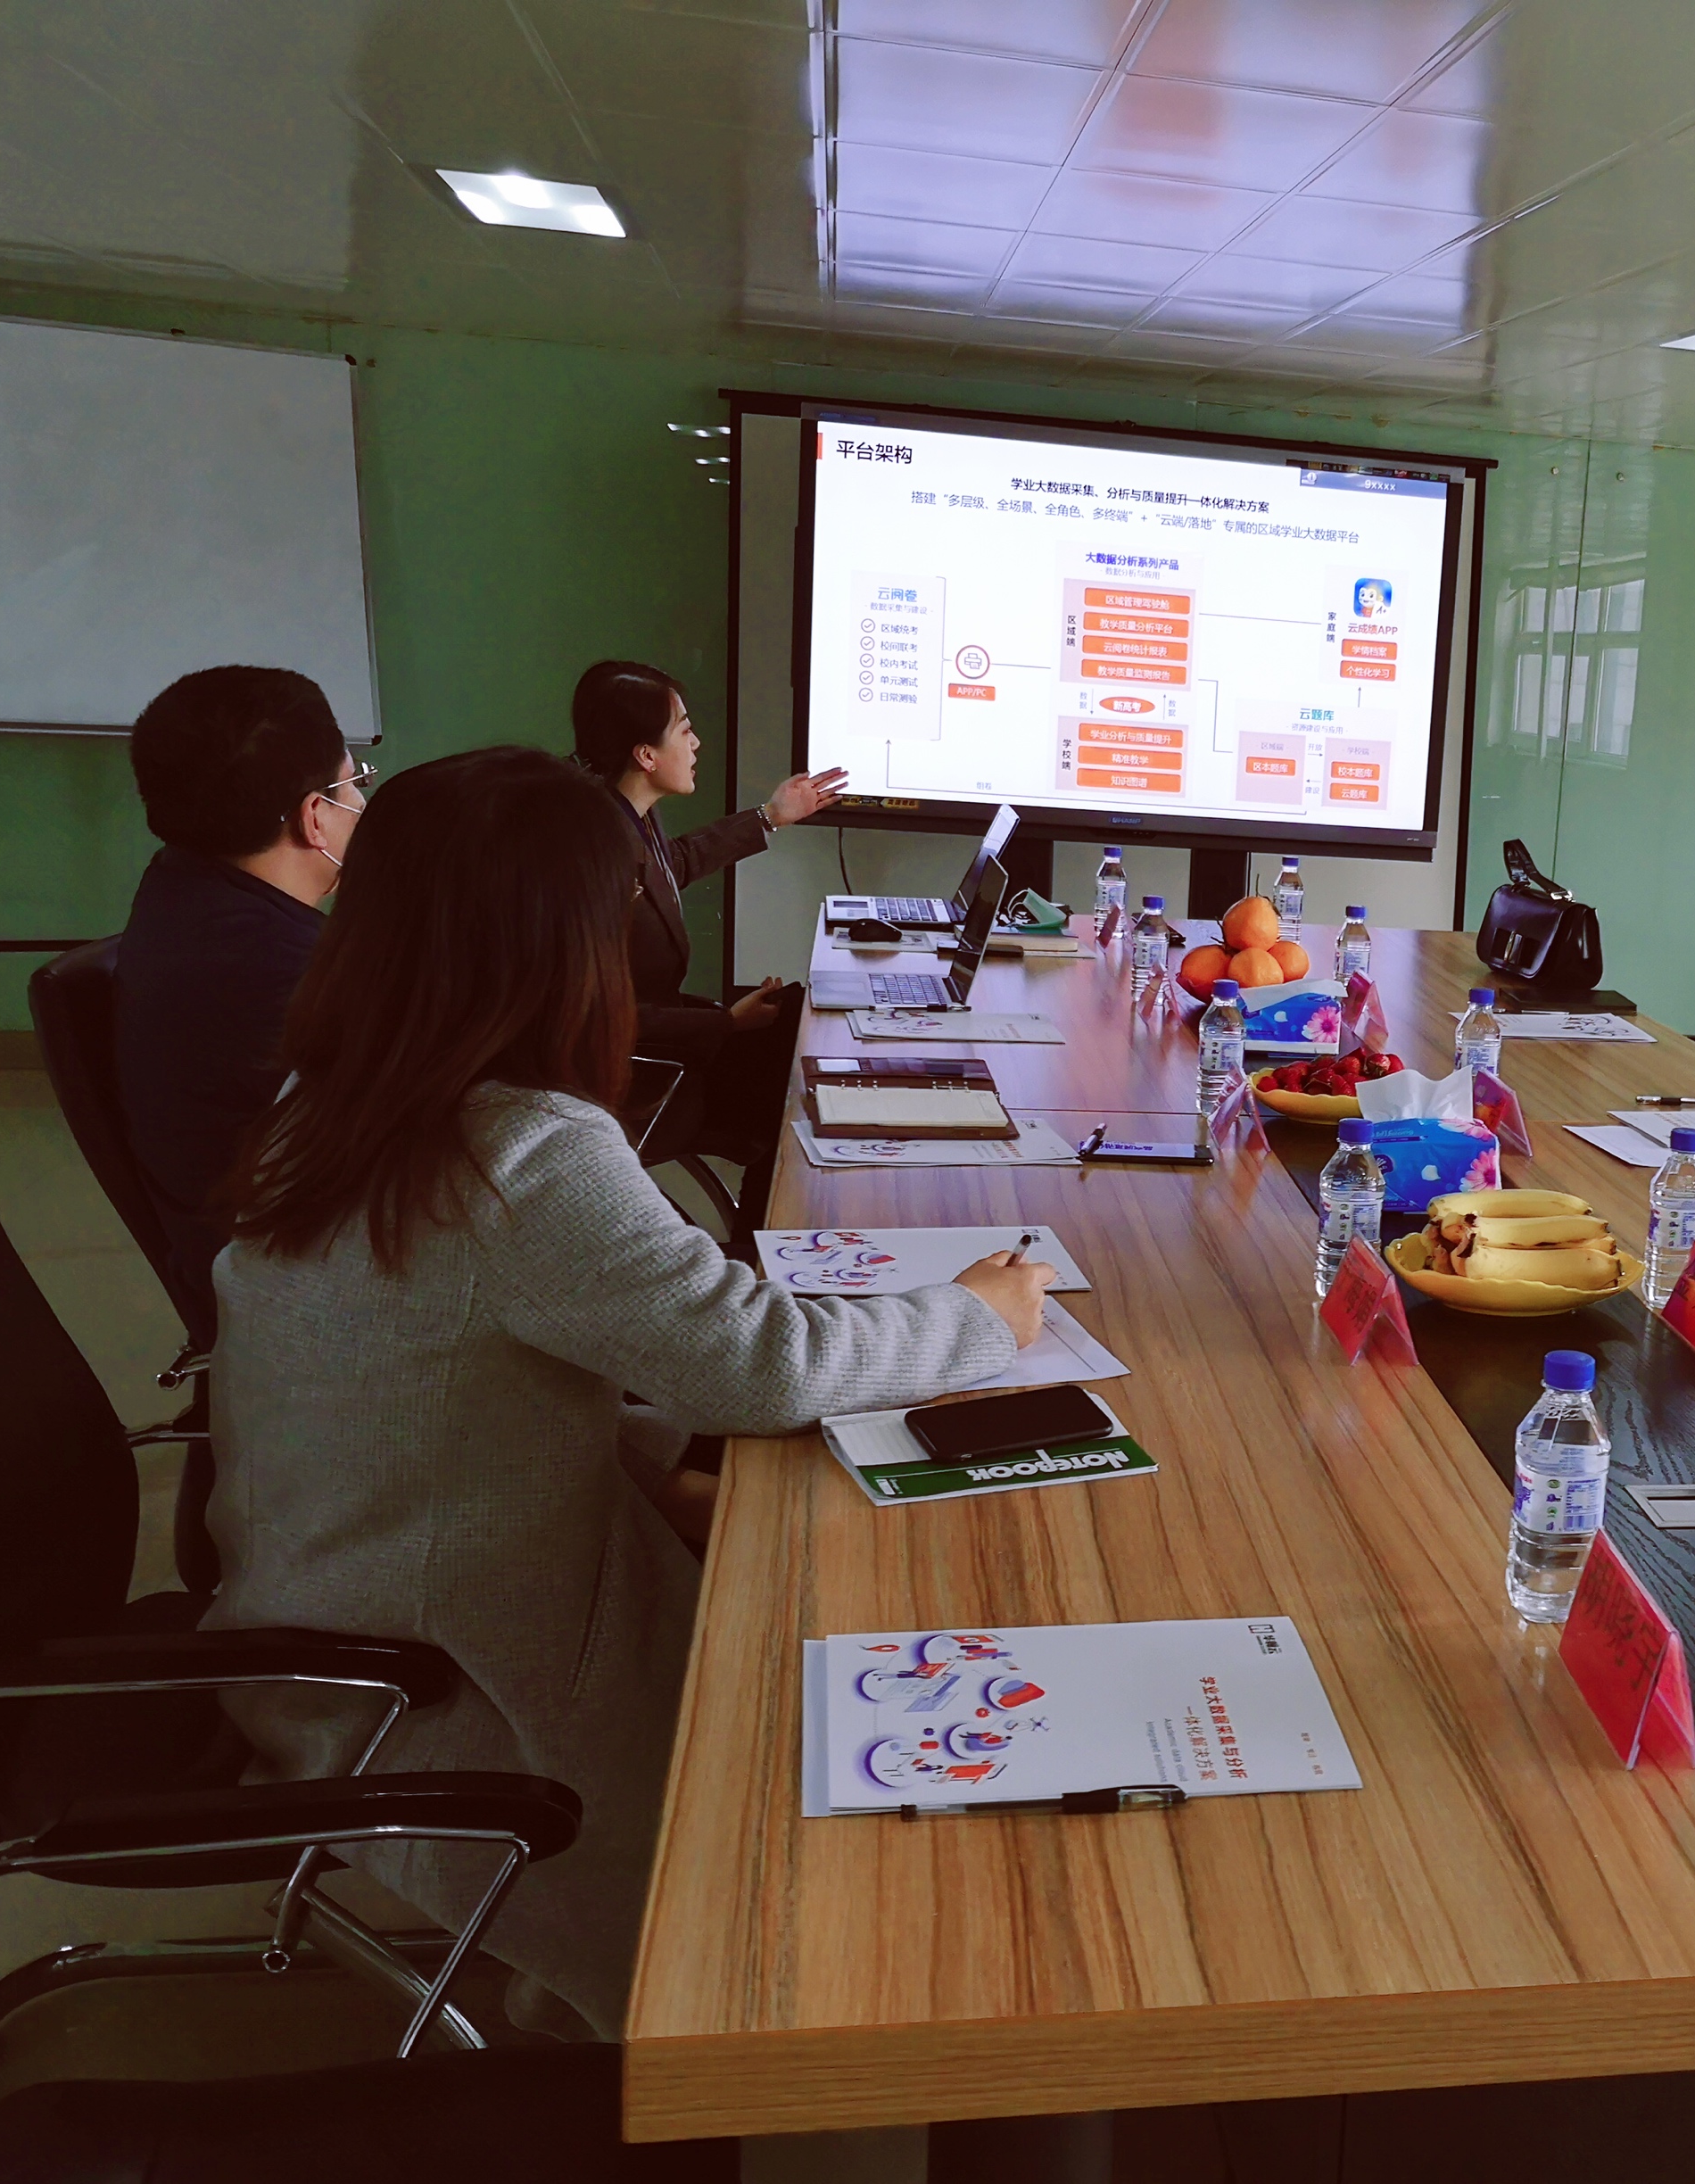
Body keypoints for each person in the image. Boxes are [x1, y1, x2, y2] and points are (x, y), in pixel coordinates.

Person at [206, 745, 1057, 2038]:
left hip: (326, 1598)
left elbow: (463, 1369)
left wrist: (663, 1477)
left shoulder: (334, 1093)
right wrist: (981, 1318)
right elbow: (761, 1363)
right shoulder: (518, 1150)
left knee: (825, 1582)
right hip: (438, 1681)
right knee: (828, 1811)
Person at [113, 666, 368, 1333]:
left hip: (236, 1241)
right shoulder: (285, 971)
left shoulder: (181, 884)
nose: (360, 804)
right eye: (354, 783)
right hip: (300, 1295)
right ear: (315, 817)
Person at [572, 660, 845, 1172]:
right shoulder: (595, 849)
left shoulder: (622, 813)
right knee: (787, 1062)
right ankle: (776, 1210)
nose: (696, 743)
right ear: (646, 755)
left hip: (661, 1040)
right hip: (638, 1074)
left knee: (791, 1013)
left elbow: (671, 864)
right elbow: (594, 1012)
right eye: (685, 730)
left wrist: (771, 816)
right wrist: (724, 1022)